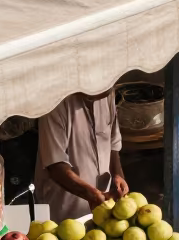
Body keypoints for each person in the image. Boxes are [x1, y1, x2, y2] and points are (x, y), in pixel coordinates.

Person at [34, 91, 128, 220]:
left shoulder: (107, 94)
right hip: (64, 207)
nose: (104, 90)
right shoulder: (55, 105)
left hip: (102, 204)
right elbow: (56, 165)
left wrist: (118, 174)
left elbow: (113, 143)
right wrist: (91, 194)